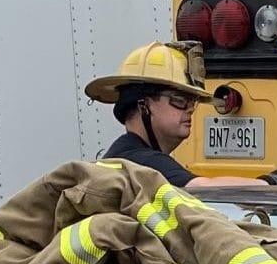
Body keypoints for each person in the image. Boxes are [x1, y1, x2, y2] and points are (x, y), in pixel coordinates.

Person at [84, 42, 208, 187]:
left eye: (192, 102)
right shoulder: (144, 161)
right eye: (179, 100)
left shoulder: (121, 155)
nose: (190, 109)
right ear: (143, 106)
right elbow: (206, 189)